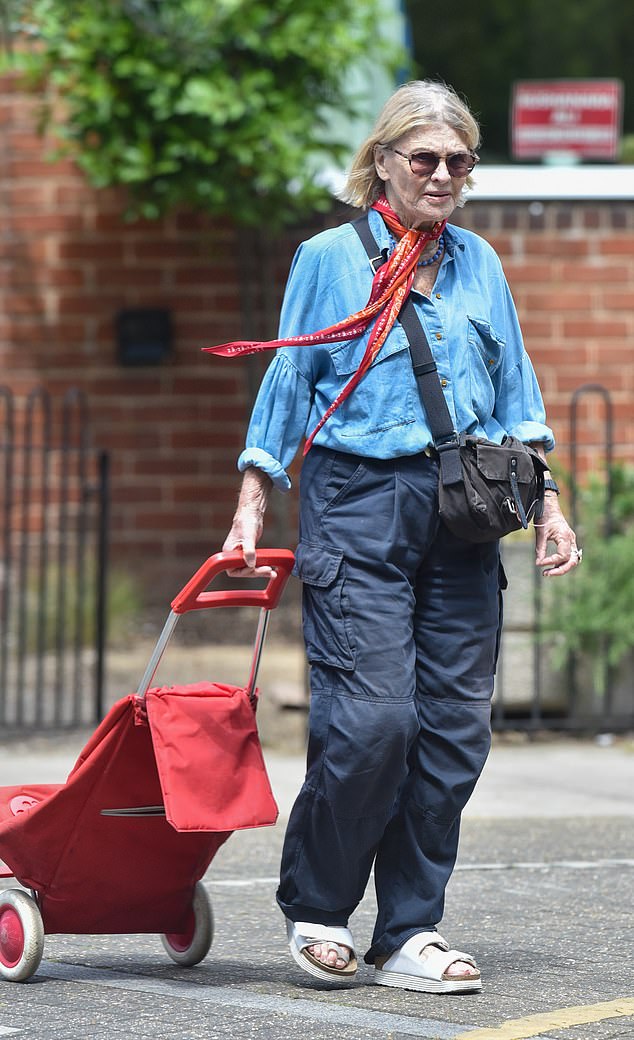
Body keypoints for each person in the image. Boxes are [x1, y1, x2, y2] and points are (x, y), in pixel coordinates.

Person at [211, 80, 581, 994]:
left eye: (460, 161)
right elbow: (288, 384)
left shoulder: (478, 263)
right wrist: (255, 493)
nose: (444, 174)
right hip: (358, 500)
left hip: (461, 511)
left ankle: (409, 929)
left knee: (455, 731)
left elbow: (517, 392)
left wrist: (552, 504)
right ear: (383, 163)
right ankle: (320, 907)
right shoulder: (328, 259)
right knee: (374, 720)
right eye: (426, 158)